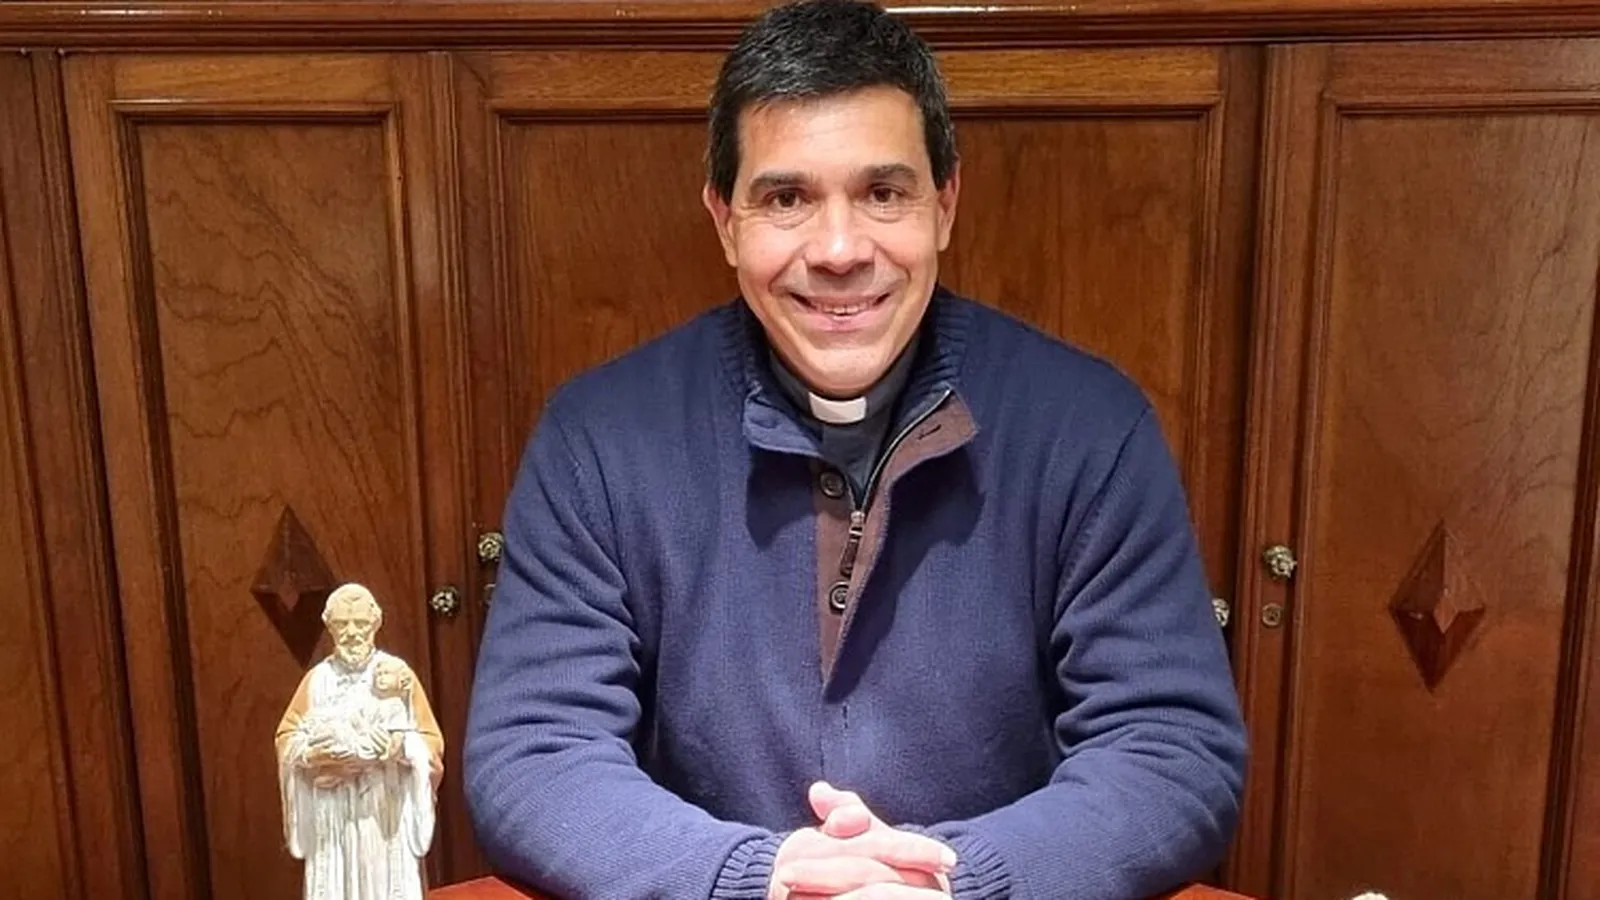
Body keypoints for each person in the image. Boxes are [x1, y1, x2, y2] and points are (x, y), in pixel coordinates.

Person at [463, 0, 1248, 897]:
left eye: (883, 193)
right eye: (786, 198)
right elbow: (535, 751)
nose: (839, 250)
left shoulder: (1091, 427)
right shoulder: (596, 439)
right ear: (724, 221)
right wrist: (758, 877)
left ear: (944, 205)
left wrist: (949, 881)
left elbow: (1172, 747)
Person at [276, 583, 444, 900]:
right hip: (334, 813)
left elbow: (430, 743)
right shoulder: (317, 681)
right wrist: (312, 755)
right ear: (329, 626)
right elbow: (287, 737)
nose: (352, 632)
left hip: (382, 812)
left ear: (375, 624)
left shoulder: (397, 675)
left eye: (360, 623)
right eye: (342, 623)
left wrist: (400, 748)